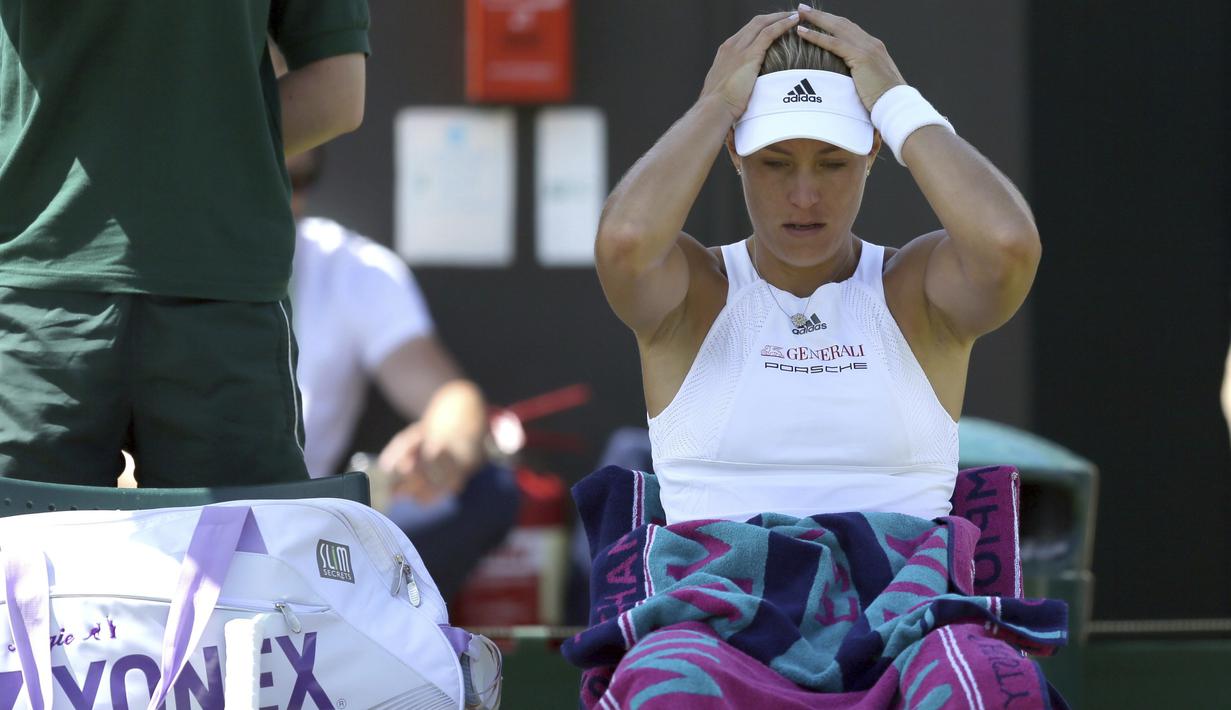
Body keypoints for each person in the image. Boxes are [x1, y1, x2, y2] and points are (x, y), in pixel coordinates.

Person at [569, 6, 1065, 708]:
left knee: (981, 679)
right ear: (735, 152)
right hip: (718, 620)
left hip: (905, 619)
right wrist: (716, 105)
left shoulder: (913, 289)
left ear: (871, 150)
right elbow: (622, 241)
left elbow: (1008, 245)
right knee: (666, 681)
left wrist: (895, 99)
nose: (804, 195)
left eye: (831, 162)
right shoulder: (693, 293)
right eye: (775, 163)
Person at [0, 2, 368, 487]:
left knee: (25, 556)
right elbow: (337, 93)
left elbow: (337, 94)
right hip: (214, 301)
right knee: (240, 558)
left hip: (43, 299)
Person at [287, 149, 519, 599]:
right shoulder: (153, 263)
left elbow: (450, 396)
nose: (278, 194)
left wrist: (440, 449)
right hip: (177, 526)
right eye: (255, 169)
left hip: (304, 539)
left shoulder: (347, 266)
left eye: (298, 179)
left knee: (490, 491)